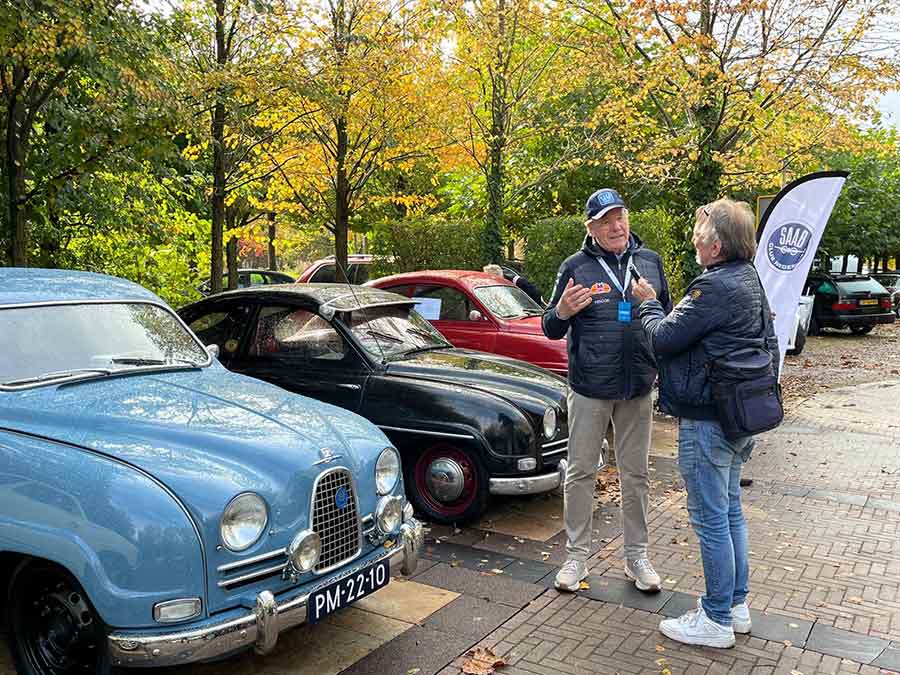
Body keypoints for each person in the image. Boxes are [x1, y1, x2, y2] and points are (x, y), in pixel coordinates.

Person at [631, 198, 777, 648]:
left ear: (715, 245)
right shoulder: (749, 278)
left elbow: (664, 339)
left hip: (708, 422)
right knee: (730, 513)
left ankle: (714, 620)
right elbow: (768, 342)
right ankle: (735, 606)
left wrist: (649, 304)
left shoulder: (712, 287)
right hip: (739, 418)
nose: (694, 237)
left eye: (701, 231)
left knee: (711, 519)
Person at [542, 187, 671, 593]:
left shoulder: (650, 262)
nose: (616, 226)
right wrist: (563, 310)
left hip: (636, 386)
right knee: (580, 473)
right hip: (589, 388)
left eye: (621, 217)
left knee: (636, 474)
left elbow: (667, 320)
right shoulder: (574, 267)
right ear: (592, 228)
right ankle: (576, 558)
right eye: (606, 220)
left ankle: (637, 557)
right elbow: (550, 326)